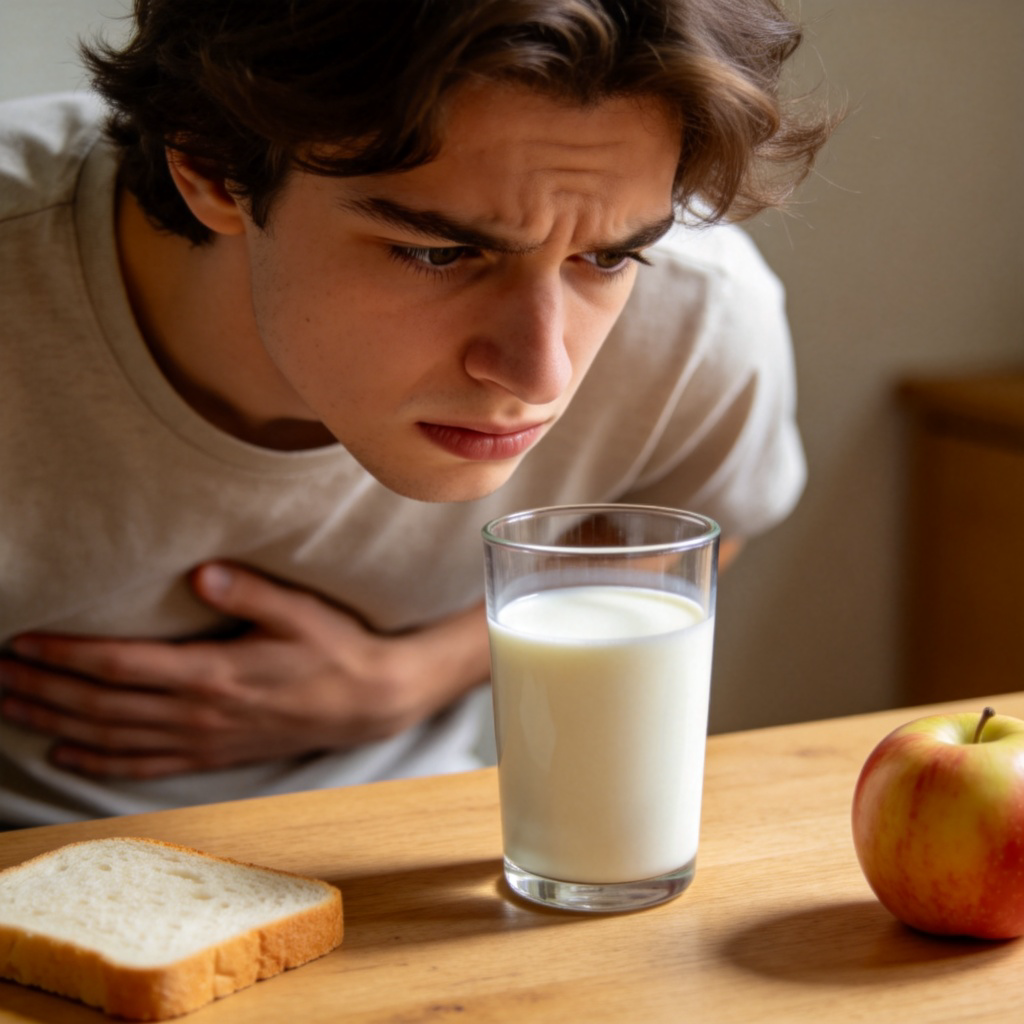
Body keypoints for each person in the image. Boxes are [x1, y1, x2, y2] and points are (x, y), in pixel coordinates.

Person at [0, 0, 833, 826]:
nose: (542, 372)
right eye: (440, 253)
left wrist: (412, 679)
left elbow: (691, 533)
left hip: (421, 850)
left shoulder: (700, 312)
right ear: (214, 168)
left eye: (607, 257)